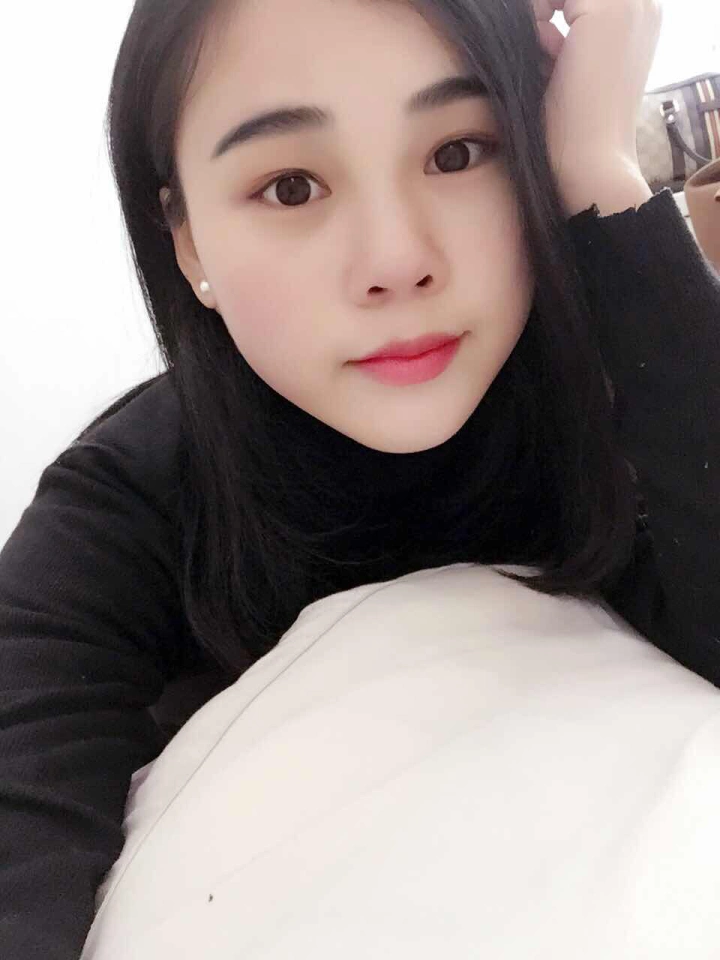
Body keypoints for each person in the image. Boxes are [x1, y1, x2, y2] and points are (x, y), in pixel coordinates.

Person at [1, 0, 718, 956]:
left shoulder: (623, 392)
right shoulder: (128, 501)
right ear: (188, 242)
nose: (397, 261)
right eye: (291, 186)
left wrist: (596, 166)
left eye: (458, 153)